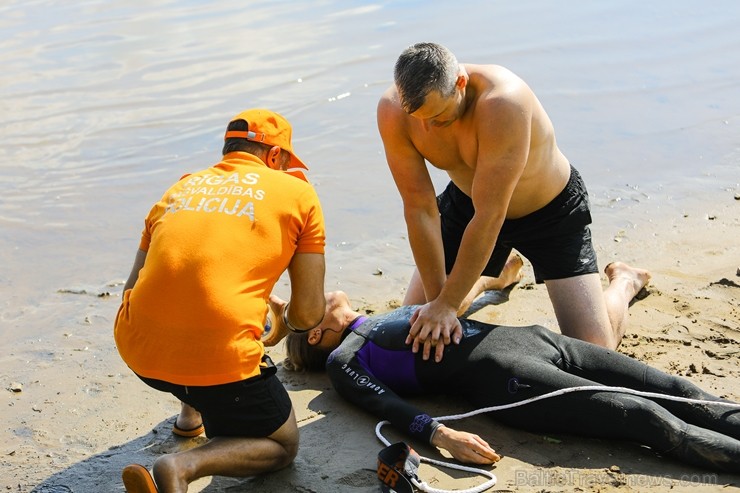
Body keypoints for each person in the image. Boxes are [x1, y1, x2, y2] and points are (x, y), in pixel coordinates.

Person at [266, 288, 740, 474]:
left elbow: (463, 299)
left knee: (677, 389)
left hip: (536, 339)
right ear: (317, 333)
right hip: (510, 379)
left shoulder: (387, 313)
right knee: (647, 416)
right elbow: (385, 405)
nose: (310, 290)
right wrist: (441, 433)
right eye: (299, 306)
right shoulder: (345, 357)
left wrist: (499, 280)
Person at [377, 42, 651, 362]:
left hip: (548, 211)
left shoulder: (504, 101)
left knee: (594, 351)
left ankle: (627, 281)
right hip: (467, 204)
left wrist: (448, 305)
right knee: (418, 324)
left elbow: (491, 214)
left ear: (460, 84)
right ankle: (494, 276)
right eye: (418, 118)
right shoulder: (393, 110)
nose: (427, 128)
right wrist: (438, 304)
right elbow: (419, 208)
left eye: (438, 117)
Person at [114, 109, 327, 493]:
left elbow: (133, 286)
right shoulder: (298, 193)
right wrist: (284, 324)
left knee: (191, 307)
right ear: (275, 157)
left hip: (138, 350)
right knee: (282, 445)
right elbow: (310, 312)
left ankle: (189, 415)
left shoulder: (180, 187)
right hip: (216, 361)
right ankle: (182, 467)